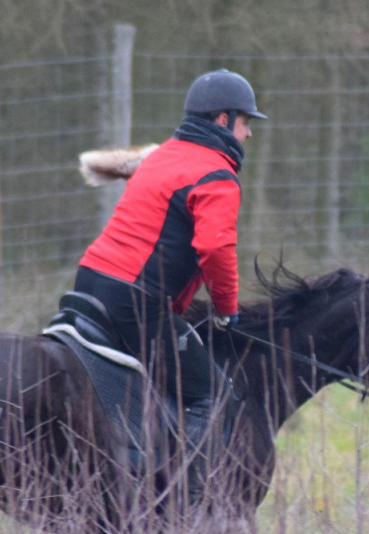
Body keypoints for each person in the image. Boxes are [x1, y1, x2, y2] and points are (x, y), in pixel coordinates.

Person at [73, 68, 266, 431]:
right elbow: (215, 249)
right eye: (245, 122)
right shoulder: (217, 176)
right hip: (135, 303)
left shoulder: (161, 157)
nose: (248, 133)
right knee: (213, 398)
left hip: (88, 282)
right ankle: (188, 489)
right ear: (223, 121)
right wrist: (226, 308)